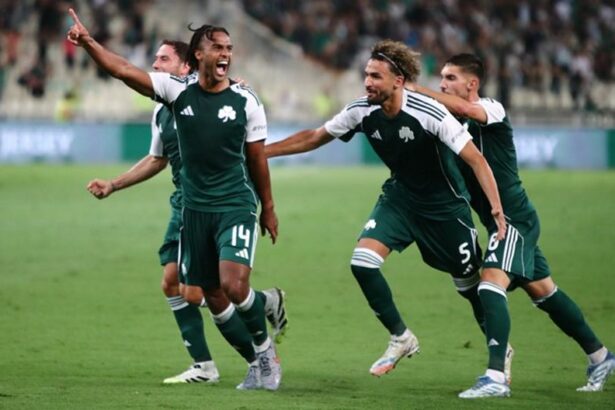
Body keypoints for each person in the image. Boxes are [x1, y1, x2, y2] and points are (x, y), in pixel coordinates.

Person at [266, 40, 507, 379]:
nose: (368, 82)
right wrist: (262, 152)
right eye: (366, 75)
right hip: (400, 199)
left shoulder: (429, 112)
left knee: (469, 288)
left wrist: (496, 208)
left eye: (376, 76)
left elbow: (475, 159)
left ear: (398, 81)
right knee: (362, 263)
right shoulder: (361, 110)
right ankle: (401, 337)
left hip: (444, 208)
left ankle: (500, 350)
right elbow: (315, 136)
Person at [68, 9, 282, 390]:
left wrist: (269, 207)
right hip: (193, 210)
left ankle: (265, 352)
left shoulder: (246, 99)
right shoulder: (175, 92)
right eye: (217, 47)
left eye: (229, 48)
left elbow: (257, 159)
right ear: (199, 54)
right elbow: (123, 70)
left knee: (233, 285)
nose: (225, 54)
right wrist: (87, 43)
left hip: (234, 203)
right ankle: (251, 358)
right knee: (209, 293)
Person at [410, 53, 615, 398]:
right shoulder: (449, 124)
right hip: (497, 223)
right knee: (545, 292)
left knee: (490, 283)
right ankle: (600, 357)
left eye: (450, 78)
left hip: (514, 219)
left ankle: (495, 377)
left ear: (472, 83)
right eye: (441, 78)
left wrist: (416, 90)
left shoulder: (492, 109)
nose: (442, 84)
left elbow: (466, 109)